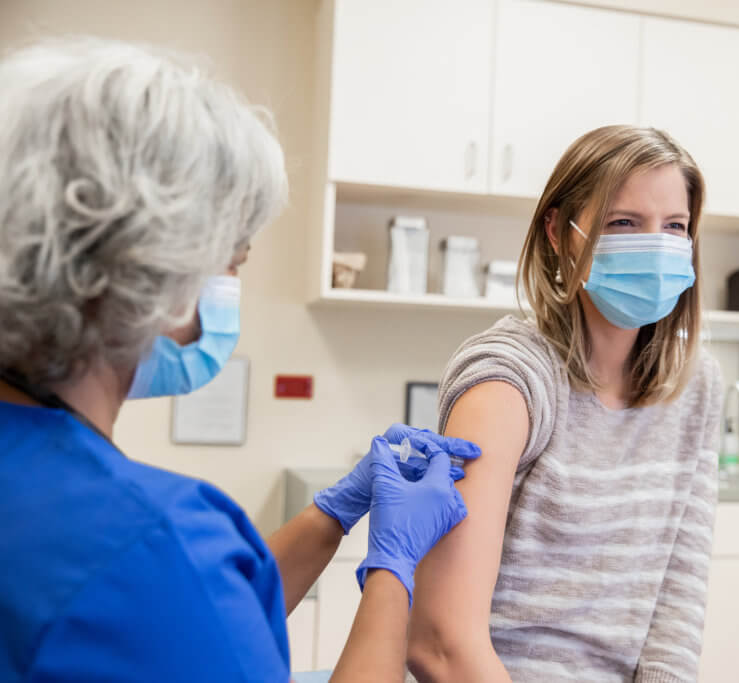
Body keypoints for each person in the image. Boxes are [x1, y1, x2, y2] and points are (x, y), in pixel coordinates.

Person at [0, 37, 480, 682]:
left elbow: (196, 620)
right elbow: (171, 593)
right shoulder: (148, 542)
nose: (229, 289)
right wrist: (393, 566)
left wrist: (332, 513)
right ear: (157, 274)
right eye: (233, 263)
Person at [405, 125, 725, 682]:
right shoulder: (508, 380)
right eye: (623, 222)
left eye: (674, 226)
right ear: (559, 232)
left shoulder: (696, 386)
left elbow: (676, 613)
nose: (655, 245)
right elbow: (442, 644)